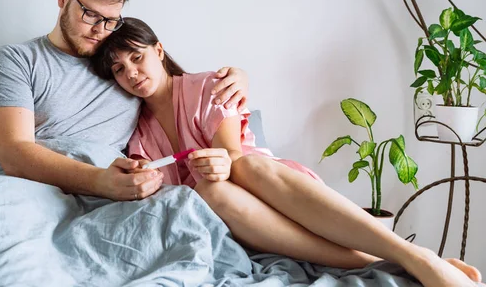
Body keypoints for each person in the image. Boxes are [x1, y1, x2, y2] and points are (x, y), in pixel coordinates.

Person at [91, 17, 483, 287]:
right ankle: (393, 261)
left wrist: (221, 160)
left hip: (274, 191)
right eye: (120, 70)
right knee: (209, 192)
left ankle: (415, 255)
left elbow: (232, 155)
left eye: (137, 57)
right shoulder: (137, 132)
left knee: (237, 169)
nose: (132, 73)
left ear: (159, 51)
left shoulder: (209, 86)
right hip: (238, 222)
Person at [0, 0, 248, 202]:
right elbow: (13, 154)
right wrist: (99, 181)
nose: (100, 30)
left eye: (110, 21)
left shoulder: (120, 68)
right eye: (90, 14)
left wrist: (235, 77)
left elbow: (172, 87)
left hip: (108, 198)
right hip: (26, 189)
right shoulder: (16, 60)